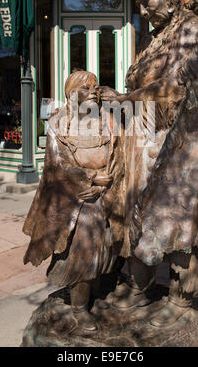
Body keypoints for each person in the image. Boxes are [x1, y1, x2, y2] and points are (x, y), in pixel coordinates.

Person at [102, 0, 198, 326]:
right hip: (147, 142)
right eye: (139, 3)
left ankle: (181, 294)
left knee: (178, 219)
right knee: (140, 213)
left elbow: (174, 90)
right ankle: (137, 280)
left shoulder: (189, 29)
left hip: (180, 148)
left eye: (147, 2)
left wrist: (121, 99)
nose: (142, 12)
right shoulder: (153, 38)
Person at [22, 70, 125, 331]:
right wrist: (90, 178)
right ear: (71, 93)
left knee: (111, 249)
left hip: (108, 193)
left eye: (95, 88)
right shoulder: (58, 122)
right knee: (84, 252)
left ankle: (99, 289)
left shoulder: (109, 121)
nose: (93, 92)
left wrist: (109, 179)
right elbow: (56, 165)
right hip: (75, 199)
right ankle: (80, 308)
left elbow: (121, 155)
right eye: (85, 88)